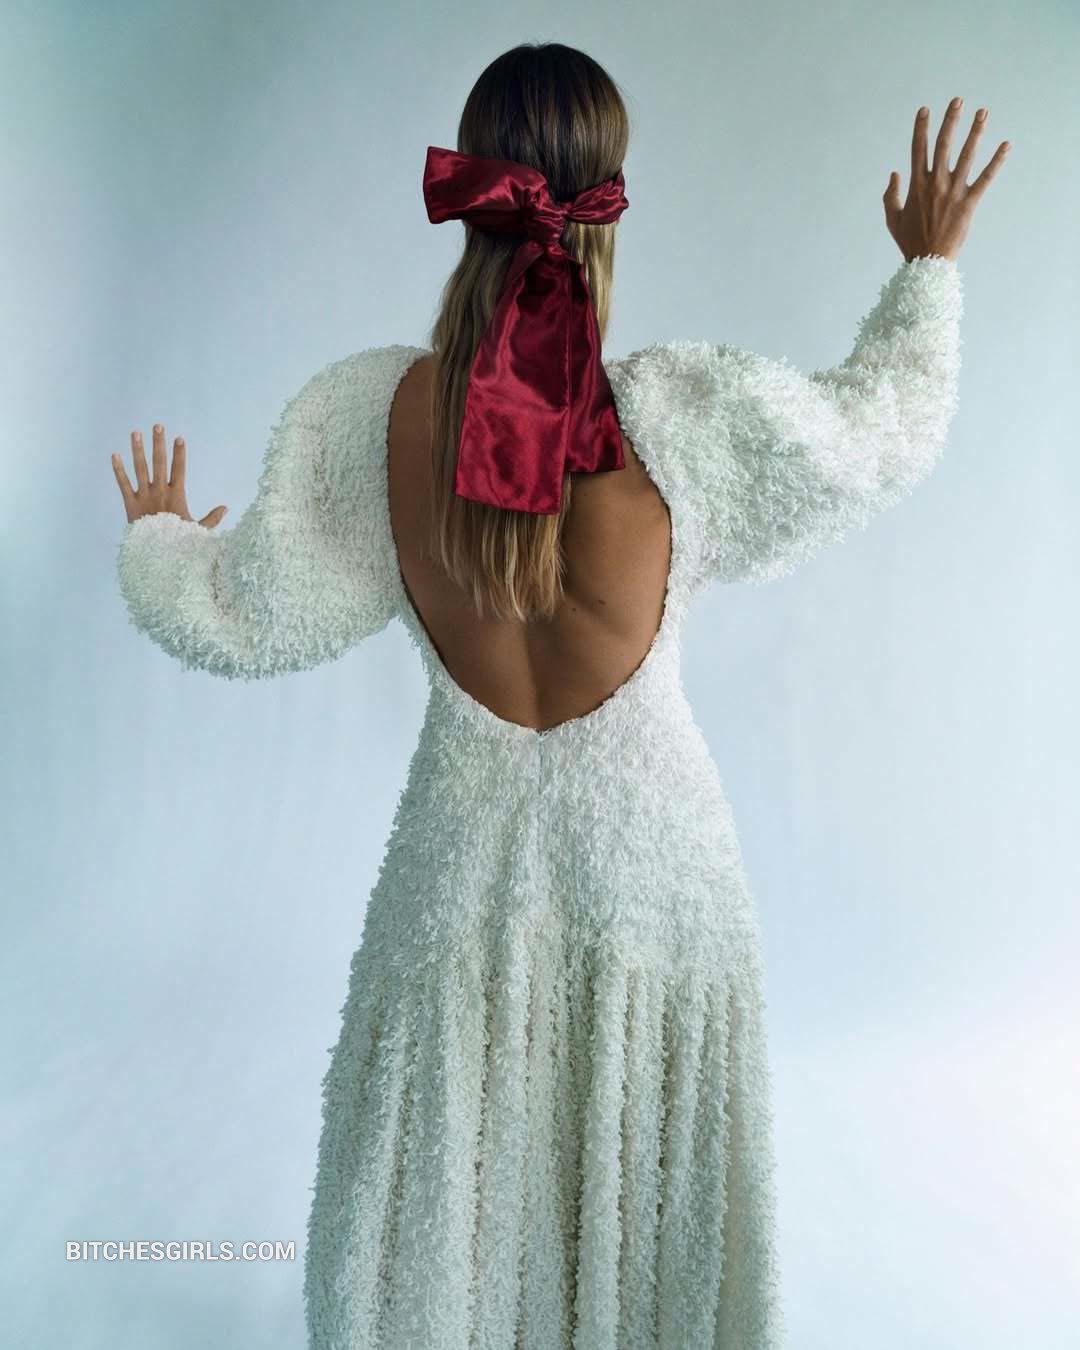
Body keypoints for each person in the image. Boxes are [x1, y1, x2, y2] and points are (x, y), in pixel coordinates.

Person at [110, 42, 1008, 1350]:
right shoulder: (681, 421)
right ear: (607, 199)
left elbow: (245, 616)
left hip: (458, 877)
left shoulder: (376, 421)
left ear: (471, 190)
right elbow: (881, 430)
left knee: (453, 1192)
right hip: (656, 882)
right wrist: (927, 271)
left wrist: (158, 544)